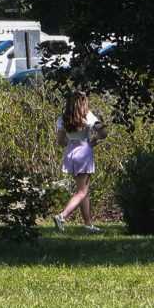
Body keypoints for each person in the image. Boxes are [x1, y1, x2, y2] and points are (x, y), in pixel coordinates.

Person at [55, 92, 103, 228]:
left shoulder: (63, 118)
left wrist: (72, 143)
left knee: (83, 191)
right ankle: (62, 216)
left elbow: (60, 141)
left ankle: (88, 224)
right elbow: (103, 132)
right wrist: (94, 140)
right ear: (83, 102)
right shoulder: (88, 115)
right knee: (82, 192)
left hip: (71, 152)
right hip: (84, 153)